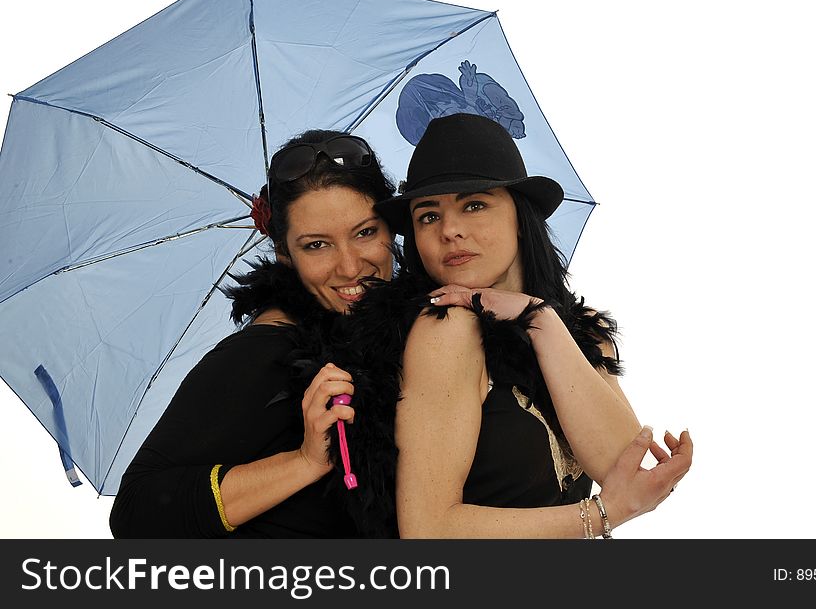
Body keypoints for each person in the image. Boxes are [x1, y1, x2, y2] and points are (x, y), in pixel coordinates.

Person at [346, 112, 693, 538]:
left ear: (520, 216)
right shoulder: (446, 329)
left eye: (474, 204)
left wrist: (540, 320)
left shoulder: (577, 331)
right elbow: (428, 531)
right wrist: (600, 516)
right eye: (428, 216)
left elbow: (633, 473)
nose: (451, 230)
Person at [109, 129, 397, 537]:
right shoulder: (264, 351)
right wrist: (305, 462)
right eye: (317, 245)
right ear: (284, 254)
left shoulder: (393, 339)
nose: (349, 267)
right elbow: (136, 514)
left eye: (365, 232)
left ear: (394, 227)